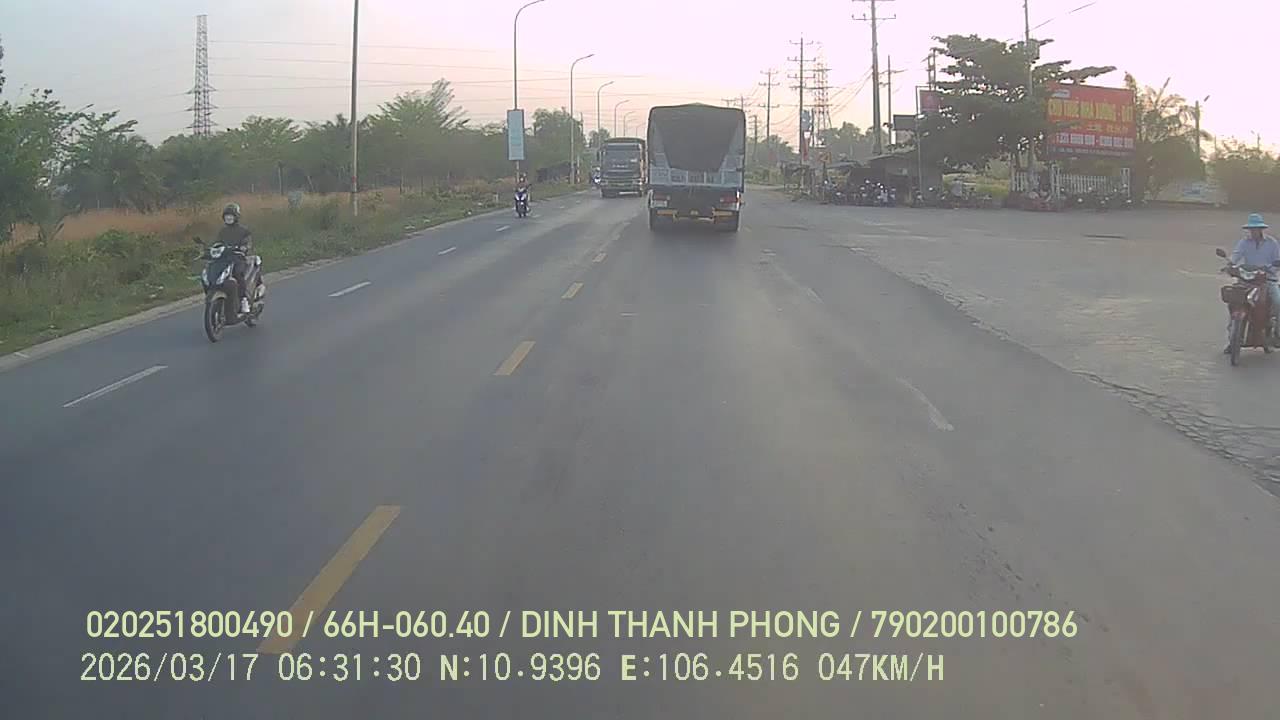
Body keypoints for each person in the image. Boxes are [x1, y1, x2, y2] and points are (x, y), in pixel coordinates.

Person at [1223, 213, 1280, 353]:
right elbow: (1236, 255)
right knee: (1234, 303)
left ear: (1261, 229)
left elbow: (1277, 261)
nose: (1253, 231)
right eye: (1251, 229)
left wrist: (1270, 269)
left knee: (1278, 302)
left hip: (1267, 280)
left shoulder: (1272, 243)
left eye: (1256, 228)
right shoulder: (1244, 242)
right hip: (1247, 279)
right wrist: (1230, 264)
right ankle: (1232, 339)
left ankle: (1277, 334)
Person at [216, 202, 254, 315]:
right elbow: (217, 243)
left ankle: (244, 300)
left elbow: (248, 243)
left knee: (238, 273)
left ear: (236, 217)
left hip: (238, 258)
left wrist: (244, 247)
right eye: (226, 216)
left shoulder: (244, 230)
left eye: (231, 216)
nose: (228, 218)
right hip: (225, 259)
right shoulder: (222, 231)